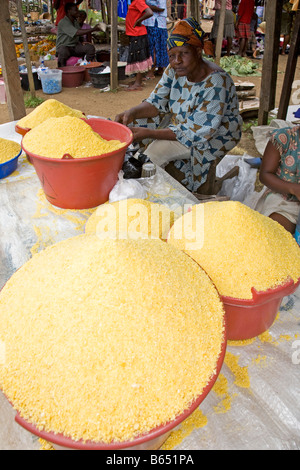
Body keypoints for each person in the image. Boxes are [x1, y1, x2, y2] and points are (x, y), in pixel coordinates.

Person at [115, 17, 242, 194]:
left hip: (215, 134)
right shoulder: (174, 70)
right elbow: (155, 104)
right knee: (136, 128)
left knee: (154, 152)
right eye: (172, 56)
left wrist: (151, 133)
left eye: (184, 53)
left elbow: (197, 133)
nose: (177, 61)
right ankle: (146, 176)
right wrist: (132, 112)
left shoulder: (216, 82)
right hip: (184, 124)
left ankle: (144, 193)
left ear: (198, 51)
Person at [255, 125, 300, 235]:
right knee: (275, 233)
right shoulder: (283, 138)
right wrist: (293, 189)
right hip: (284, 200)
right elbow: (265, 175)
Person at [124, 0, 154, 91]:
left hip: (137, 34)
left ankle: (137, 83)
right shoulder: (136, 2)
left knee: (139, 59)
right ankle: (138, 81)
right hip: (135, 33)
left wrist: (138, 21)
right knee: (138, 58)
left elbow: (149, 12)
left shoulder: (138, 1)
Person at [143, 0, 169, 77]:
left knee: (154, 47)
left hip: (155, 22)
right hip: (156, 22)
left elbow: (161, 8)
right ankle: (160, 69)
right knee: (160, 46)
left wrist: (144, 6)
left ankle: (151, 71)